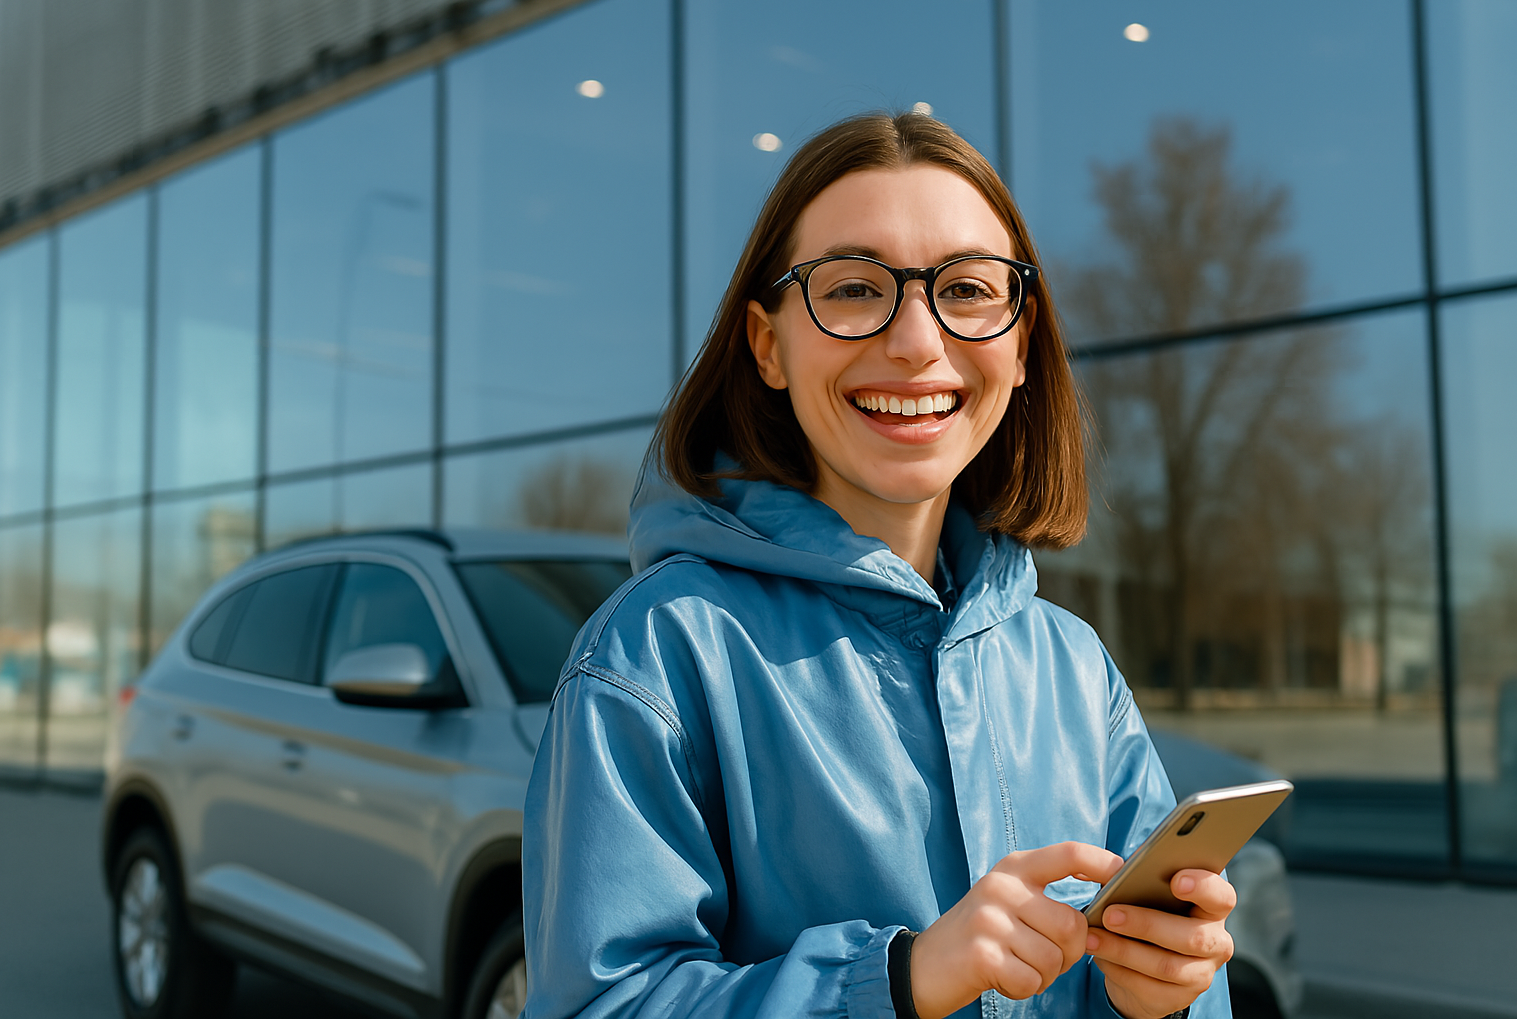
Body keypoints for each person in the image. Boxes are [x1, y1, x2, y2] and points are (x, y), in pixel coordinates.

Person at [521, 112, 1235, 1019]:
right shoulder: (658, 653)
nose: (916, 340)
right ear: (768, 344)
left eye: (969, 290)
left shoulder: (1073, 668)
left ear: (1020, 346)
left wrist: (1163, 995)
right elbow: (599, 1005)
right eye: (855, 289)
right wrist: (894, 981)